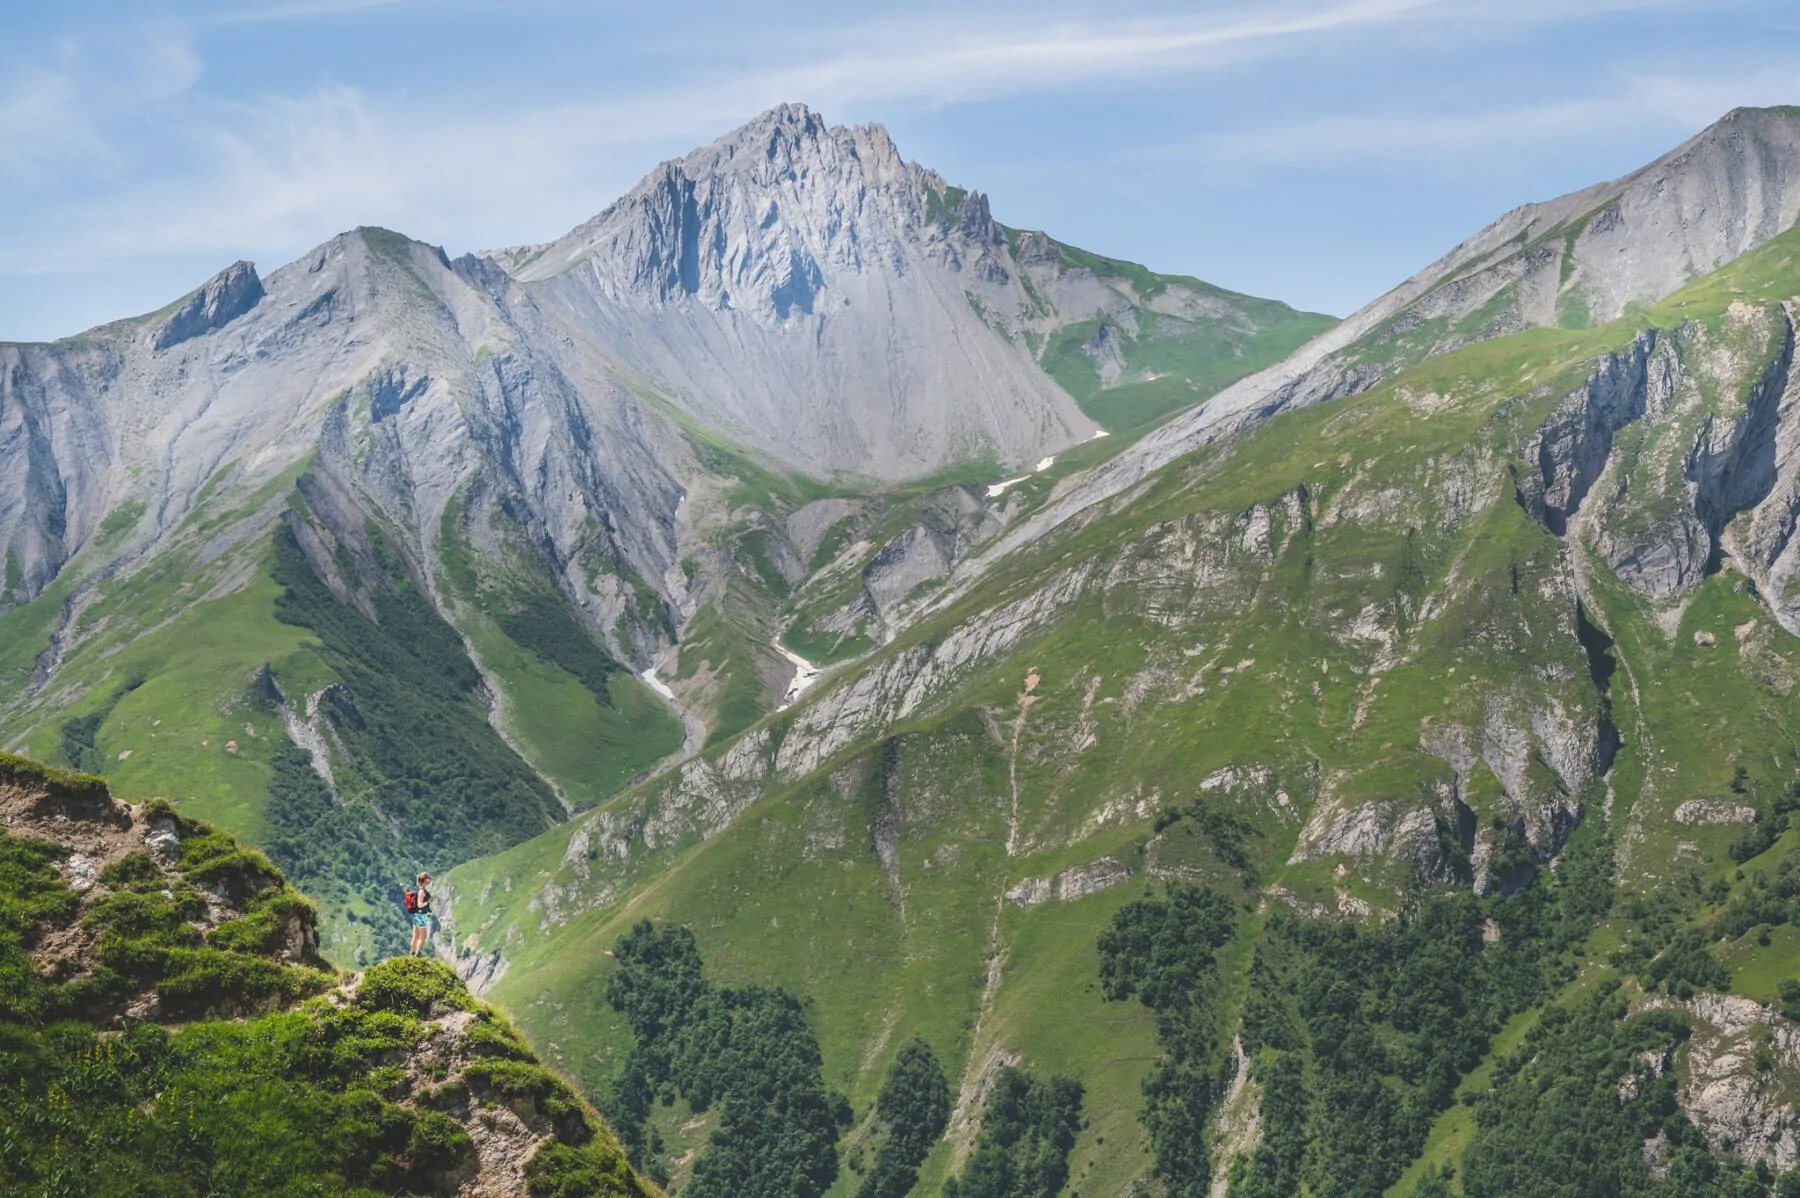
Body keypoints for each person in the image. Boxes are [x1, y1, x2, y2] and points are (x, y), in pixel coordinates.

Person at [407, 872, 433, 957]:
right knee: (423, 937)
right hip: (421, 916)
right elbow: (419, 904)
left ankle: (412, 952)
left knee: (415, 936)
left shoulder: (418, 890)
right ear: (425, 880)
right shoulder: (422, 891)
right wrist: (428, 902)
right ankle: (417, 954)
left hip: (416, 915)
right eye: (428, 879)